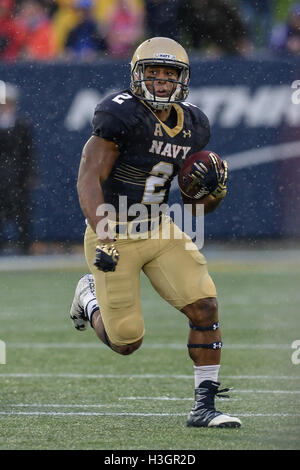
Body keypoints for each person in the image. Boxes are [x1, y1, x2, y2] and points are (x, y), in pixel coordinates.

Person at [69, 37, 241, 428]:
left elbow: (197, 205)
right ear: (137, 74)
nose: (161, 81)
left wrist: (212, 190)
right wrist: (104, 232)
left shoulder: (195, 125)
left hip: (159, 227)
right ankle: (89, 296)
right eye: (153, 72)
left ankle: (204, 407)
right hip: (115, 231)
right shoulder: (120, 115)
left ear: (183, 79)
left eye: (169, 74)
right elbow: (87, 176)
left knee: (205, 306)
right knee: (126, 342)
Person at [0, 83, 35, 254]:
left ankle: (25, 247)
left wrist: (30, 175)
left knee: (22, 214)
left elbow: (29, 152)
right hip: (1, 179)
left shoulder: (22, 124)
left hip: (17, 178)